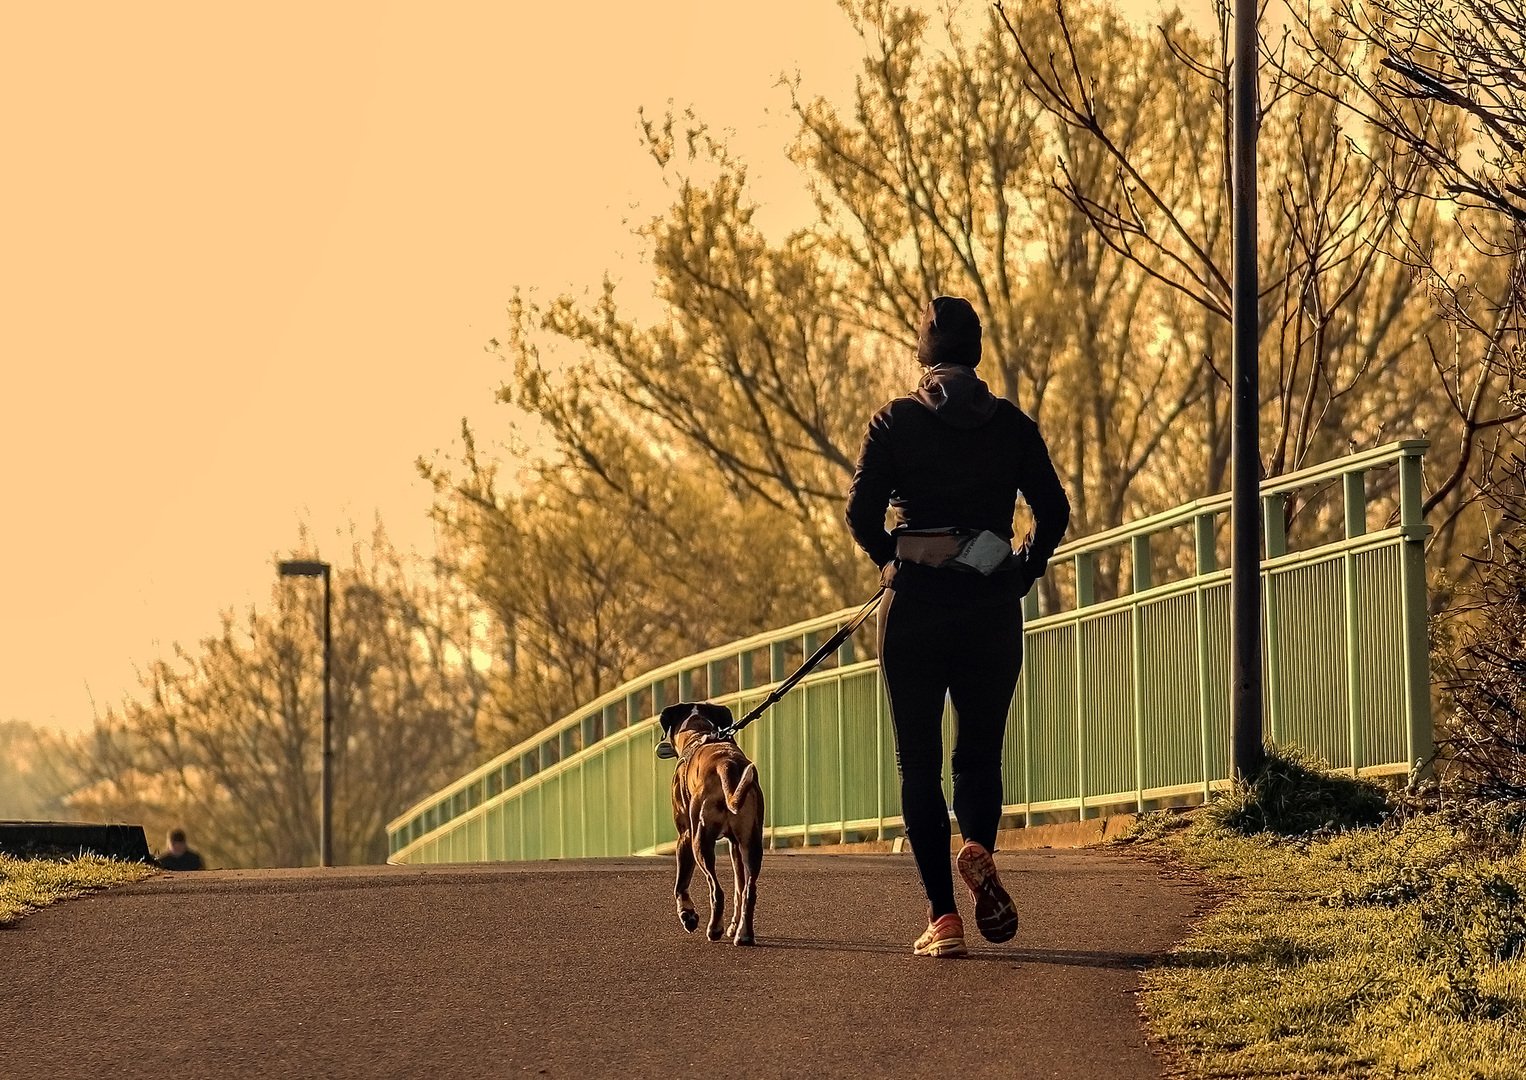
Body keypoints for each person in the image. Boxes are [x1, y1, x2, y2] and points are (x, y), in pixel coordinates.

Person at [846, 295, 1070, 958]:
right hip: (989, 605)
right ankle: (976, 845)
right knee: (980, 753)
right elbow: (1052, 512)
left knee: (917, 762)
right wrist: (1018, 570)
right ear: (976, 351)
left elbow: (862, 515)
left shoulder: (894, 421)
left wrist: (897, 561)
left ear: (925, 354)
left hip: (915, 604)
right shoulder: (1012, 426)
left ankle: (944, 920)